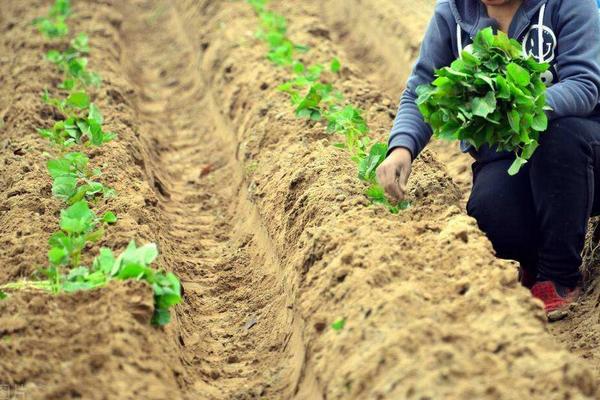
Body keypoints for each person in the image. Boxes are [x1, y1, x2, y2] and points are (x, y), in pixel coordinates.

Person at [377, 0, 600, 321]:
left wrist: (516, 105)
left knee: (558, 136)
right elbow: (420, 92)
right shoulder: (452, 14)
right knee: (492, 216)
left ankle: (559, 274)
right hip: (509, 151)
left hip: (583, 147)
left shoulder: (568, 4)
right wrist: (402, 148)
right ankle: (533, 260)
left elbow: (584, 85)